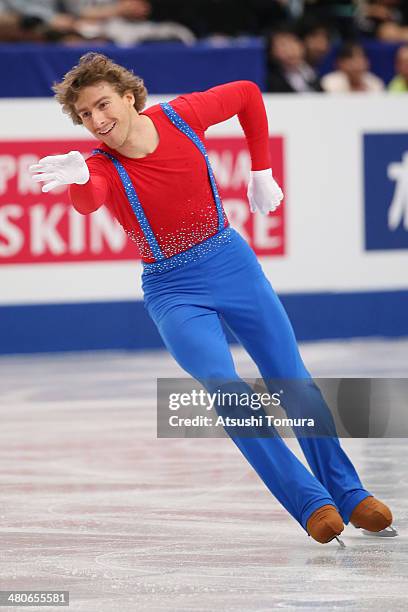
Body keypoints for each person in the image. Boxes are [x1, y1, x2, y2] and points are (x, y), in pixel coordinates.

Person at [30, 53, 395, 545]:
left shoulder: (180, 116)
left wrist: (261, 169)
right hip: (172, 289)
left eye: (102, 105)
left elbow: (247, 92)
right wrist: (77, 179)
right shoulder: (97, 165)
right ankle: (311, 502)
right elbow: (90, 197)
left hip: (232, 264)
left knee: (292, 380)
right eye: (85, 116)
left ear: (130, 97)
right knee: (225, 386)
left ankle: (350, 494)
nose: (97, 121)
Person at [266, 27, 323, 93]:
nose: (291, 49)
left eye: (294, 42)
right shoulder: (271, 80)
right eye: (283, 45)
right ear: (272, 52)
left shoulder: (311, 72)